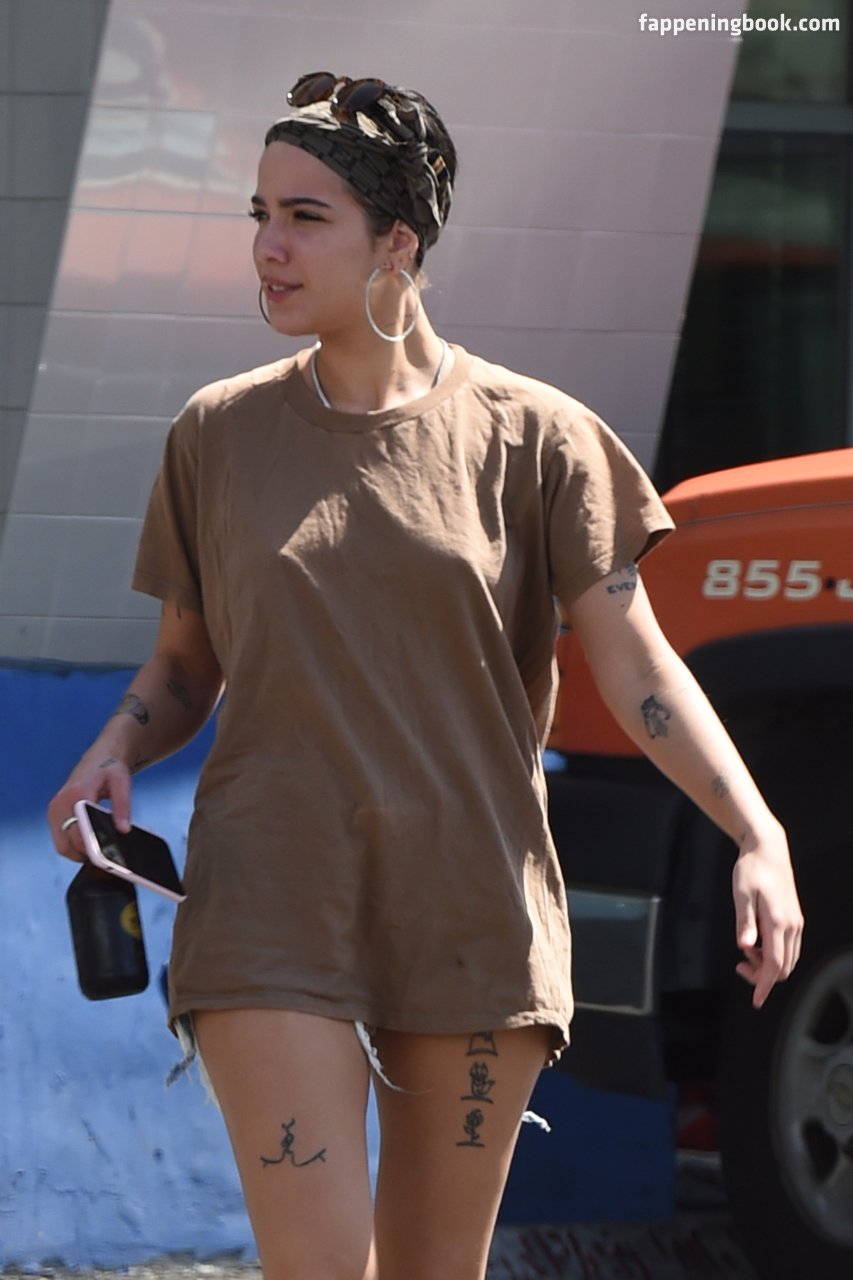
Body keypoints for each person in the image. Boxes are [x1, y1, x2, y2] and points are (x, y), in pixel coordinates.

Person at [48, 72, 803, 1280]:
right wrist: (114, 749)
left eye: (306, 217)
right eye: (259, 214)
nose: (267, 246)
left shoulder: (541, 437)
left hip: (473, 903)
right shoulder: (217, 434)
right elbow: (185, 665)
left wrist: (755, 830)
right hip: (269, 894)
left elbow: (638, 665)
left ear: (398, 241)